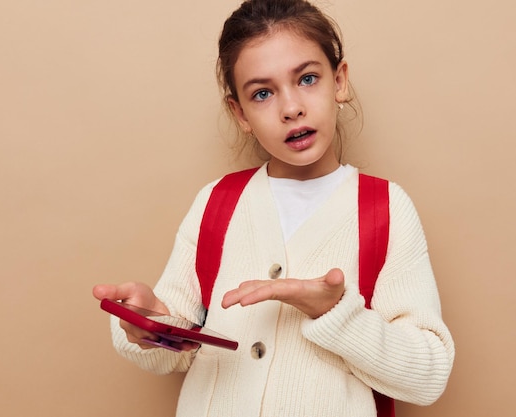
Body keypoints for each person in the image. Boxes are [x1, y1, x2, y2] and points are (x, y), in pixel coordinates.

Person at [93, 0, 455, 416]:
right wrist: (152, 325)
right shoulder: (217, 202)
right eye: (262, 93)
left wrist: (336, 314)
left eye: (307, 78)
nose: (290, 108)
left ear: (339, 81)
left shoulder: (385, 209)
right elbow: (173, 351)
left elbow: (428, 376)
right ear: (240, 113)